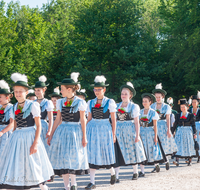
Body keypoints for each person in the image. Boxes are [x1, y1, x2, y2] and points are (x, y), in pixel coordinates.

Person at [0, 73, 54, 190]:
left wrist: (35, 143)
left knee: (33, 163)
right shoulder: (14, 107)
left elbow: (38, 125)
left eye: (21, 91)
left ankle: (43, 187)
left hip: (29, 135)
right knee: (18, 163)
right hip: (17, 137)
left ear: (26, 92)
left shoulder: (33, 105)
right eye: (16, 91)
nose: (18, 94)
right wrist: (11, 138)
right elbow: (14, 124)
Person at [47, 72, 89, 190]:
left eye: (62, 89)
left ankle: (74, 184)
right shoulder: (60, 102)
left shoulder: (80, 102)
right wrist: (51, 133)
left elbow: (83, 120)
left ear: (69, 89)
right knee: (63, 158)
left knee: (72, 158)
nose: (60, 91)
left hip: (75, 131)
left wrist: (84, 136)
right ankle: (66, 186)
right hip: (62, 131)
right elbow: (58, 119)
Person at [85, 75, 117, 190]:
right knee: (92, 153)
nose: (97, 91)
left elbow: (113, 119)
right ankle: (92, 182)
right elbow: (89, 118)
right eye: (95, 89)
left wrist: (113, 134)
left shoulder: (110, 102)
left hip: (104, 128)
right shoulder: (90, 102)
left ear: (104, 90)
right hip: (92, 128)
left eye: (99, 89)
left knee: (105, 151)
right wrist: (84, 131)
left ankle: (112, 172)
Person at [114, 82, 146, 182]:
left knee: (133, 150)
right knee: (118, 152)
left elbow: (137, 122)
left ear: (130, 95)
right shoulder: (116, 105)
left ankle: (135, 172)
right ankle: (116, 176)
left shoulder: (134, 106)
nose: (123, 95)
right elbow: (114, 120)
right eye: (122, 94)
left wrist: (137, 135)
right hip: (119, 130)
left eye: (126, 94)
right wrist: (113, 133)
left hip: (130, 129)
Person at [151, 83, 177, 171]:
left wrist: (169, 130)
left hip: (163, 126)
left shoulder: (166, 106)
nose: (157, 98)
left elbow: (168, 118)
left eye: (159, 97)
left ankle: (166, 161)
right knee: (154, 144)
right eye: (156, 97)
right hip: (154, 126)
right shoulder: (152, 106)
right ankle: (156, 164)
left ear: (162, 97)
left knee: (163, 145)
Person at [139, 93, 167, 176]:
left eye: (146, 101)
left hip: (150, 132)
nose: (144, 103)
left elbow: (155, 125)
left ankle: (156, 164)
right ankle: (142, 171)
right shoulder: (140, 112)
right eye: (143, 101)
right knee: (142, 150)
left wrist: (155, 137)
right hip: (142, 132)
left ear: (150, 102)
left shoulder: (153, 112)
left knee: (151, 150)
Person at [172, 99, 197, 166]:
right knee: (178, 144)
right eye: (181, 107)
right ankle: (177, 161)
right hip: (179, 131)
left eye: (184, 107)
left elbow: (193, 125)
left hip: (187, 131)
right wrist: (172, 132)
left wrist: (195, 133)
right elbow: (175, 124)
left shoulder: (190, 115)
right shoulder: (177, 115)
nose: (182, 108)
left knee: (188, 144)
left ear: (187, 107)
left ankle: (190, 160)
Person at [33, 75, 54, 152]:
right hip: (33, 125)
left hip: (43, 126)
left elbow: (51, 118)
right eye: (35, 90)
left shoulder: (47, 102)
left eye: (38, 90)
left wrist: (49, 130)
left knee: (43, 148)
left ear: (44, 90)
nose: (36, 92)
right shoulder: (33, 103)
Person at [0, 80, 13, 153]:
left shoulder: (12, 107)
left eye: (0, 97)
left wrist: (2, 132)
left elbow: (12, 123)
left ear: (7, 97)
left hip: (7, 133)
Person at [188, 92, 200, 163]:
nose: (193, 103)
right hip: (191, 126)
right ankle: (190, 157)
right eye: (192, 102)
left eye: (195, 102)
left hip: (198, 125)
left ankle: (199, 156)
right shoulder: (189, 110)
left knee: (198, 141)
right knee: (191, 141)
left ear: (198, 103)